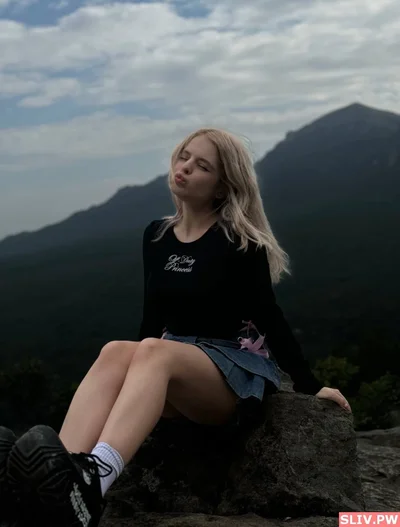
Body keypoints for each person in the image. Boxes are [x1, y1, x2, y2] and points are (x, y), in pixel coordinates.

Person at [0, 128, 351, 527]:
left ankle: (94, 484)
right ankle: (58, 479)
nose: (184, 168)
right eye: (184, 156)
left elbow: (269, 315)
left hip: (231, 373)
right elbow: (152, 316)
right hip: (174, 362)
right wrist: (133, 371)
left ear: (222, 187)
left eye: (202, 166)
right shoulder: (157, 235)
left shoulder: (240, 242)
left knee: (154, 350)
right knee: (117, 349)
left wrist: (309, 384)